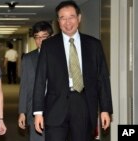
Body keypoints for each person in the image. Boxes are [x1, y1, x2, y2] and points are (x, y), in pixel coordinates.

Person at [33, 1, 113, 141]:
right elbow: (40, 80)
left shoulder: (94, 45)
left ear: (79, 18)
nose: (67, 22)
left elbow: (102, 79)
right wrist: (38, 112)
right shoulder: (48, 46)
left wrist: (105, 109)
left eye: (71, 17)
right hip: (55, 107)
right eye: (62, 18)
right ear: (58, 21)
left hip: (84, 105)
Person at [18, 21, 53, 141]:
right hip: (34, 109)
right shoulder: (28, 59)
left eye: (44, 37)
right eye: (37, 38)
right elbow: (24, 87)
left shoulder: (61, 57)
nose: (40, 41)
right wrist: (22, 112)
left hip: (57, 108)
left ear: (51, 37)